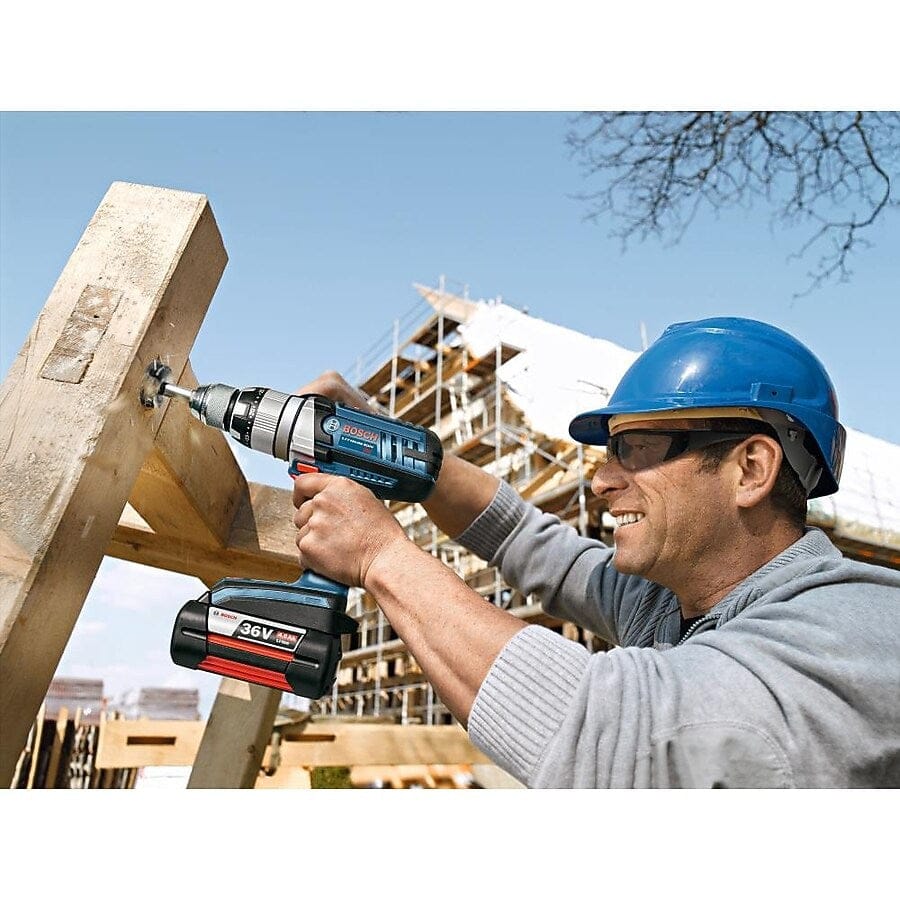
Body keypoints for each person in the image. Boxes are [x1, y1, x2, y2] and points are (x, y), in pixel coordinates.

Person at [291, 316, 900, 788]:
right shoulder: (672, 604)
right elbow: (531, 544)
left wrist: (382, 557)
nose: (602, 481)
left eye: (634, 449)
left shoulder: (852, 630)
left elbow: (624, 735)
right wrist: (391, 449)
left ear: (750, 469)